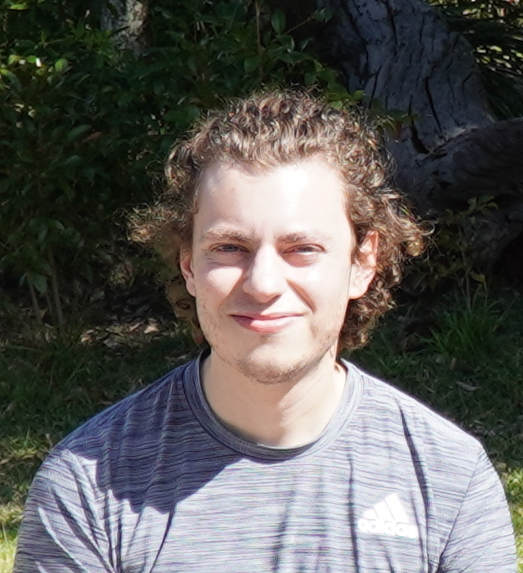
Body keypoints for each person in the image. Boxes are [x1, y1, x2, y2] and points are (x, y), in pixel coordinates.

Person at [15, 90, 516, 572]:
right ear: (188, 264)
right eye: (230, 248)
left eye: (302, 249)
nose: (263, 284)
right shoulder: (86, 486)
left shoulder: (448, 481)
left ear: (363, 263)